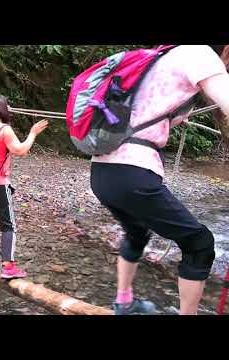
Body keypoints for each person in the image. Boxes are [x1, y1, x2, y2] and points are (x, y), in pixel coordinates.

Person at [90, 45, 229, 315]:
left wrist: (176, 118)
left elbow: (146, 119)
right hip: (133, 173)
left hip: (102, 171)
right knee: (200, 244)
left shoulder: (158, 58)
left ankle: (124, 302)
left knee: (137, 231)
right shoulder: (201, 53)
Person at [0, 95, 49, 279]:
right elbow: (20, 150)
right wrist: (33, 133)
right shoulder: (5, 130)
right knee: (8, 226)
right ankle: (8, 266)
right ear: (4, 110)